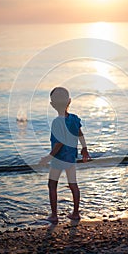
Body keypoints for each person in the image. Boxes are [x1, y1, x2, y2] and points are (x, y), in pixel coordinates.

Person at [38, 87, 90, 224]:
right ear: (69, 101)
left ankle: (54, 215)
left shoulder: (56, 122)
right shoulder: (74, 119)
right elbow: (80, 133)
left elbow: (59, 142)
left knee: (52, 184)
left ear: (52, 104)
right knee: (73, 184)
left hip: (59, 158)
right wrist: (84, 148)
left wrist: (49, 157)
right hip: (71, 157)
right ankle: (75, 213)